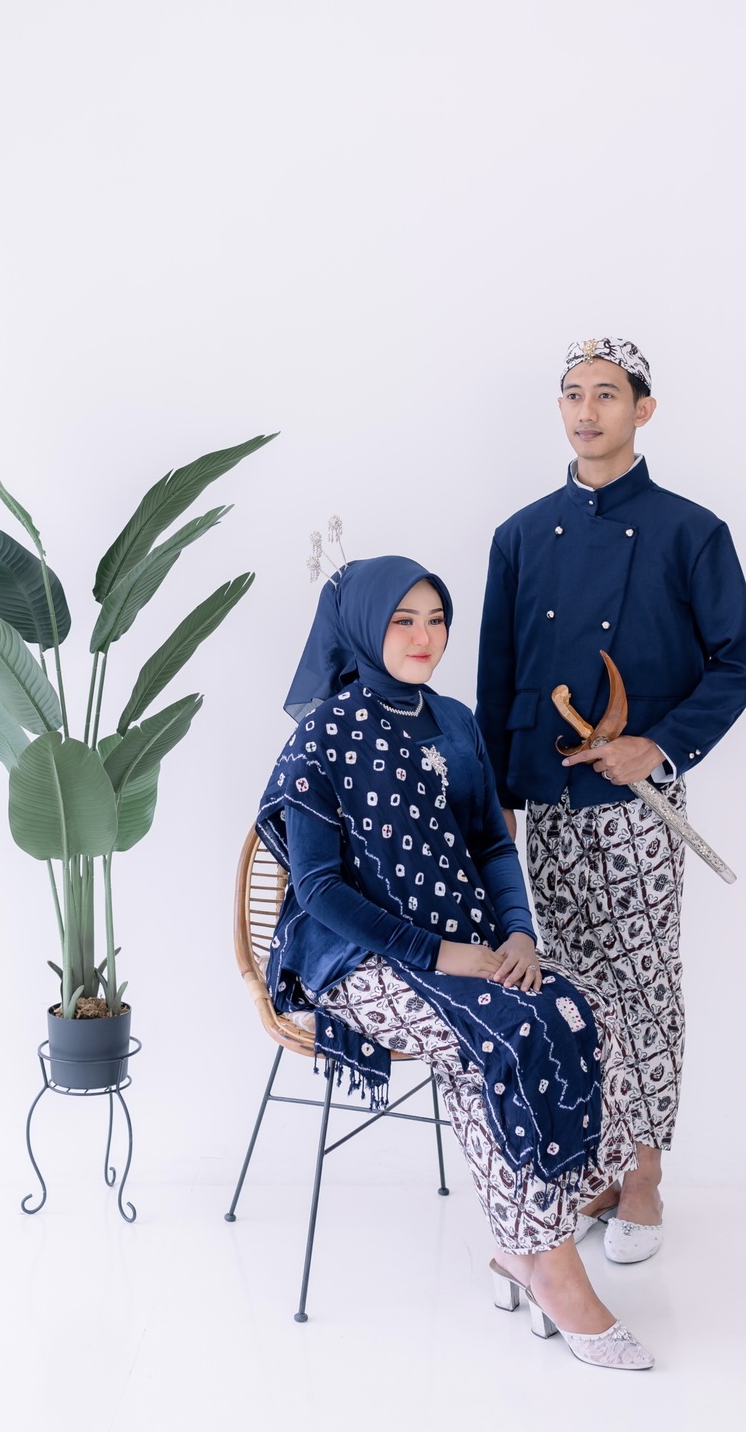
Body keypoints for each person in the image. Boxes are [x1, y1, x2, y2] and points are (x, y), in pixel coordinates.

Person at [258, 555, 655, 1371]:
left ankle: (527, 1239)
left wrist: (518, 935)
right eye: (402, 619)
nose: (425, 636)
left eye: (436, 618)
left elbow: (489, 845)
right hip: (357, 957)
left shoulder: (454, 719)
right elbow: (319, 889)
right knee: (500, 1039)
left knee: (587, 1010)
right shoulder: (323, 735)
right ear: (363, 627)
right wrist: (441, 953)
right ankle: (547, 1264)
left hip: (471, 940)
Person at [476, 337, 746, 1263]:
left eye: (606, 394)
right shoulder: (520, 534)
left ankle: (642, 1171)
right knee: (566, 981)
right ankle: (595, 1162)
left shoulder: (690, 530)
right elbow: (495, 677)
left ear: (643, 408)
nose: (586, 410)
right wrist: (495, 796)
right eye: (572, 393)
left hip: (640, 799)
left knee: (643, 980)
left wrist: (660, 743)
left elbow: (741, 659)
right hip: (546, 796)